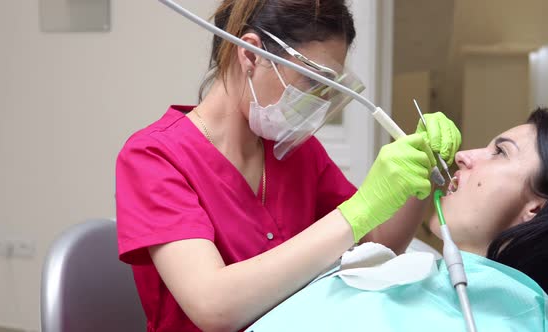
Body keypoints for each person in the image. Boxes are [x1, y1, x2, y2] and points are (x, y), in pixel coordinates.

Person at [115, 1, 460, 331]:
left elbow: (379, 246)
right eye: (313, 82)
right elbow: (213, 305)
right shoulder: (154, 157)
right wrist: (359, 210)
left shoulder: (296, 152)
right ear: (250, 53)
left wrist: (424, 173)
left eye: (330, 88)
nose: (319, 102)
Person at [246, 108, 548, 332]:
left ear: (535, 209)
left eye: (499, 152)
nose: (464, 155)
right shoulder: (417, 268)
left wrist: (361, 210)